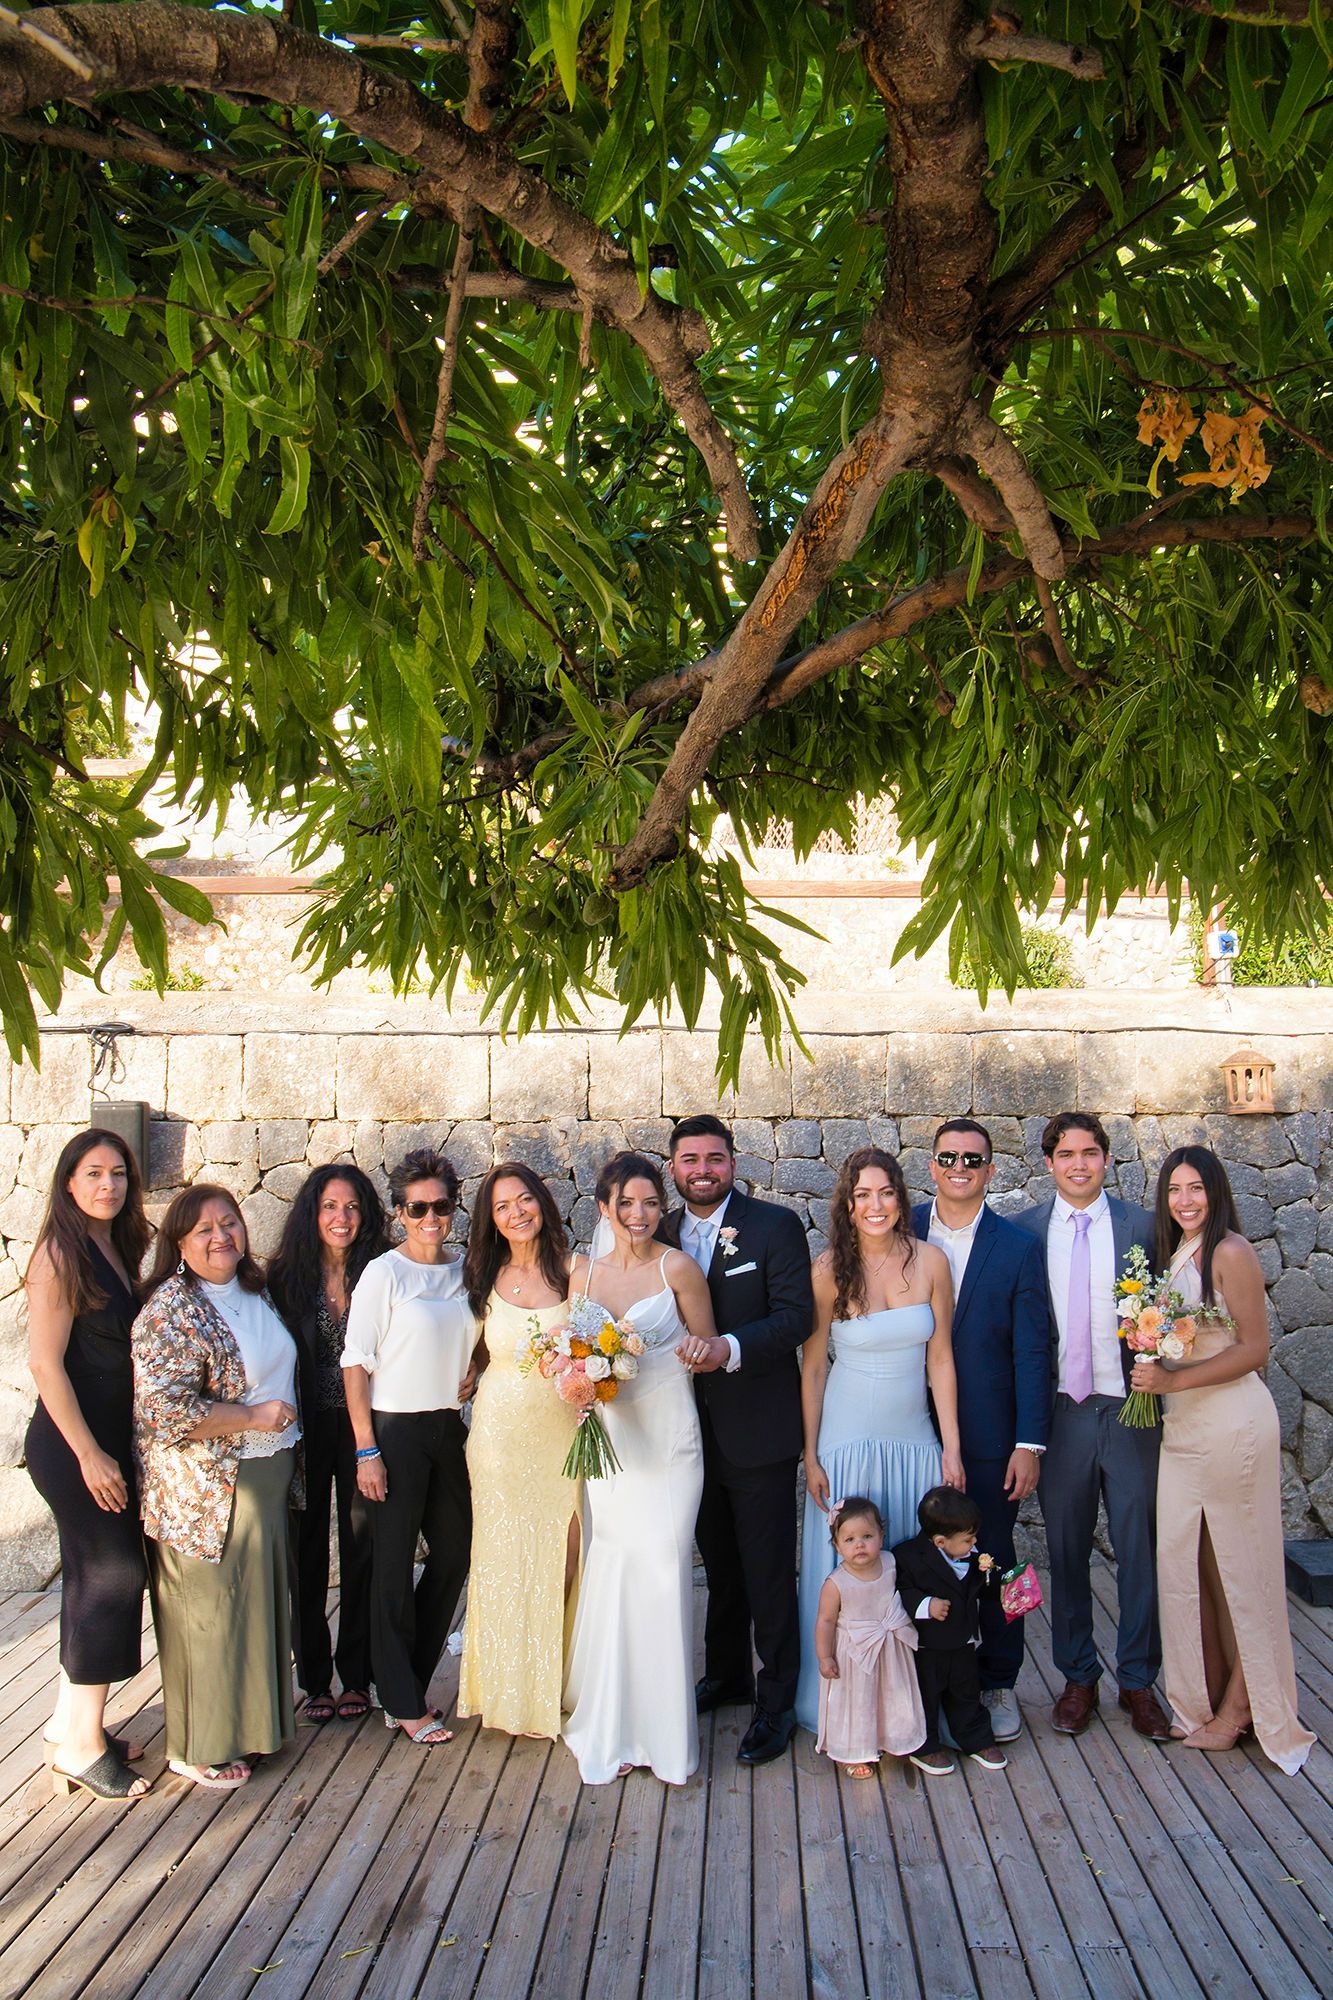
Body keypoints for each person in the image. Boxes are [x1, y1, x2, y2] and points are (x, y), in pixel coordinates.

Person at [1131, 1146, 1314, 1773]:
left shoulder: (1230, 1251)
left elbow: (1255, 1349)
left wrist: (1173, 1382)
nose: (1185, 1200)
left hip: (1232, 1424)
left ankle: (1244, 1709)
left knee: (1245, 1567)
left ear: (1217, 1191)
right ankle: (1207, 1694)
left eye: (1196, 1189)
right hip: (1184, 1431)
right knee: (1195, 1565)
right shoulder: (1175, 1254)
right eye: (1174, 1190)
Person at [133, 1184, 301, 1791]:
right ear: (178, 1243)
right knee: (207, 1614)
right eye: (203, 1228)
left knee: (251, 1612)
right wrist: (254, 1418)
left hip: (263, 1475)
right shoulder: (172, 1308)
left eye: (229, 1222)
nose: (221, 1235)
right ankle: (199, 1745)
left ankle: (252, 1730)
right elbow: (163, 1409)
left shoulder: (255, 1293)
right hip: (201, 1488)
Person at [659, 1115, 814, 1767]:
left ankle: (775, 1702)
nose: (702, 1169)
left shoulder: (773, 1228)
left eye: (713, 1158)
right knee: (718, 1568)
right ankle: (725, 1676)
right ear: (671, 1167)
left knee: (768, 1574)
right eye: (689, 1159)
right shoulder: (657, 1232)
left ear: (731, 1162)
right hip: (684, 1435)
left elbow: (795, 1318)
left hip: (758, 1431)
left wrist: (729, 1348)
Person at [1012, 1112, 1169, 1740]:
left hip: (1130, 1410)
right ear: (1048, 1163)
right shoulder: (1024, 1232)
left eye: (1090, 1152)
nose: (1079, 1163)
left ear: (1107, 1159)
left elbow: (1172, 1308)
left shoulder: (1143, 1227)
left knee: (1138, 1551)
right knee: (1066, 1551)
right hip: (1060, 1413)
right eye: (1066, 1153)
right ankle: (1078, 1676)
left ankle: (1137, 1680)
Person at [796, 1146, 960, 1736]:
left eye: (885, 1192)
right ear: (847, 1203)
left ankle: (906, 1708)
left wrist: (952, 1447)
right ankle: (841, 1711)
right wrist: (812, 1454)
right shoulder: (825, 1272)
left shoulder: (933, 1263)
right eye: (862, 1194)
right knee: (850, 1566)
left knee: (908, 1567)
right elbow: (813, 1367)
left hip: (913, 1436)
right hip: (846, 1438)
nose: (875, 1205)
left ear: (901, 1198)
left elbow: (940, 1360)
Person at [562, 1152, 712, 1785]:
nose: (640, 1214)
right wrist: (576, 1382)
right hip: (612, 1441)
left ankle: (664, 1734)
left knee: (664, 1568)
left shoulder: (676, 1267)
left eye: (651, 1202)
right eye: (626, 1203)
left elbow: (706, 1349)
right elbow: (570, 1353)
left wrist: (697, 1351)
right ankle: (615, 1725)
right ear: (604, 1208)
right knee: (615, 1566)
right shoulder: (582, 1271)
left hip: (670, 1439)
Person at [25, 1129, 154, 1803]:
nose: (108, 1185)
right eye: (93, 1173)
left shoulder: (114, 1245)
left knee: (90, 1577)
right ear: (68, 1182)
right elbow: (46, 1364)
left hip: (103, 1440)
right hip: (73, 1444)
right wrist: (90, 1454)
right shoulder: (58, 1253)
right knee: (112, 1573)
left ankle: (66, 1728)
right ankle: (81, 1746)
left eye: (119, 1174)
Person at [911, 1119, 1050, 1744]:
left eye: (974, 1158)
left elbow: (1031, 1351)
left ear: (990, 1170)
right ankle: (922, 1683)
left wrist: (1030, 1441)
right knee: (915, 1558)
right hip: (910, 1426)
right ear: (932, 1165)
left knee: (1002, 1560)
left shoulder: (1017, 1247)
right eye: (948, 1156)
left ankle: (1000, 1680)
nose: (960, 1166)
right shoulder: (901, 1227)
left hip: (994, 1438)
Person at [341, 1148, 477, 1746]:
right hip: (392, 1430)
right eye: (417, 1207)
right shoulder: (383, 1273)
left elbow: (481, 1334)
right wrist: (365, 1449)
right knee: (392, 1567)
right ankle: (402, 1700)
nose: (430, 1217)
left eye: (441, 1205)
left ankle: (405, 1683)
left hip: (448, 1429)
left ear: (453, 1208)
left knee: (453, 1554)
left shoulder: (467, 1269)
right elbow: (355, 1363)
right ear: (399, 1212)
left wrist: (477, 1365)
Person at [267, 1164, 391, 1724]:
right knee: (306, 1550)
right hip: (305, 1427)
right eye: (329, 1207)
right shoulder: (284, 1278)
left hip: (367, 1425)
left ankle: (357, 1676)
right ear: (311, 1215)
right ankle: (314, 1678)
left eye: (352, 1207)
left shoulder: (383, 1272)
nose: (341, 1218)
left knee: (365, 1543)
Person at [457, 1162, 576, 1739]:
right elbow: (470, 1351)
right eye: (502, 1207)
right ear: (491, 1220)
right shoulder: (482, 1277)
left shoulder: (574, 1272)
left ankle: (560, 1685)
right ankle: (508, 1693)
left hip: (564, 1433)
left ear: (543, 1203)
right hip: (500, 1436)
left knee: (568, 1553)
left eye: (524, 1200)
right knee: (504, 1560)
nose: (516, 1213)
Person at [893, 1487, 1007, 1777]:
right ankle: (925, 1746)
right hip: (928, 1646)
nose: (974, 1543)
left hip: (964, 1642)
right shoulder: (907, 1557)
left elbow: (985, 1587)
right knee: (926, 1697)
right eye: (968, 1539)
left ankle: (977, 1740)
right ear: (941, 1542)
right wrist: (925, 1605)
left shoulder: (972, 1555)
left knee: (967, 1693)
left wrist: (1007, 1586)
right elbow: (900, 1591)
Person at [813, 1495, 925, 1779]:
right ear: (837, 1546)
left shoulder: (890, 1563)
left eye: (867, 1536)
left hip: (890, 1650)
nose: (859, 1544)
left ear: (881, 1536)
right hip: (854, 1656)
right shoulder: (836, 1582)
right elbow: (825, 1621)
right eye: (849, 1539)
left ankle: (891, 1739)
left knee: (890, 1695)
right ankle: (851, 1750)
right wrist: (825, 1656)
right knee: (857, 1703)